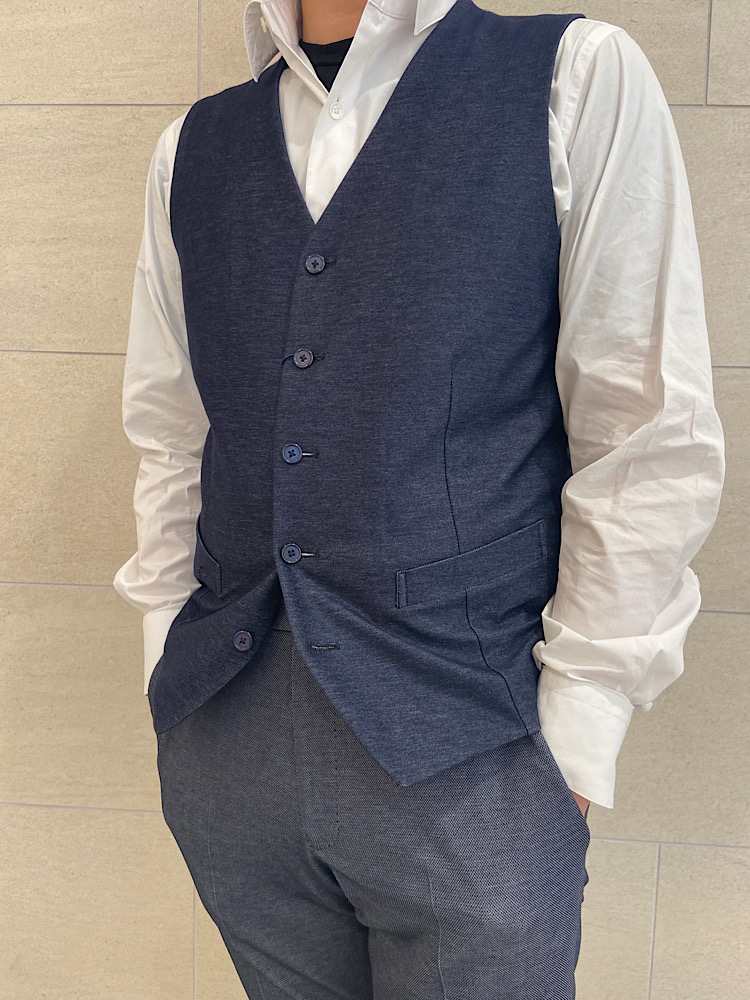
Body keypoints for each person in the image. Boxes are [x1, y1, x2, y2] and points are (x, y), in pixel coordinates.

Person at [113, 0, 725, 996]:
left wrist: (573, 748)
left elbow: (645, 433)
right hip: (230, 748)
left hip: (476, 758)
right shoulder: (194, 147)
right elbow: (175, 434)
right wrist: (170, 685)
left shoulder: (572, 77)